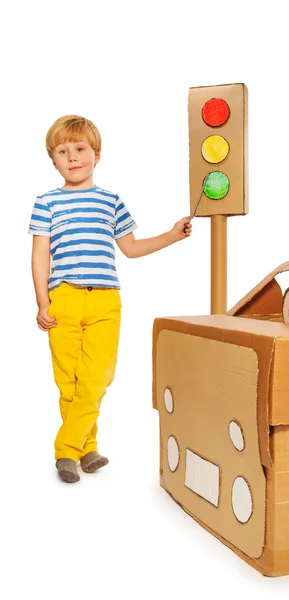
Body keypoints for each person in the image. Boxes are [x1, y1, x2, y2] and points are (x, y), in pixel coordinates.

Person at [29, 115, 192, 483]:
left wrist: (170, 235)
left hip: (105, 301)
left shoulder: (111, 201)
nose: (72, 157)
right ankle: (86, 449)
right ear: (53, 159)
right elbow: (41, 254)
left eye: (80, 149)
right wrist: (42, 302)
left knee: (97, 377)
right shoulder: (47, 202)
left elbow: (131, 248)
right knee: (69, 382)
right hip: (64, 299)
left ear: (96, 155)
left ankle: (65, 449)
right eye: (62, 151)